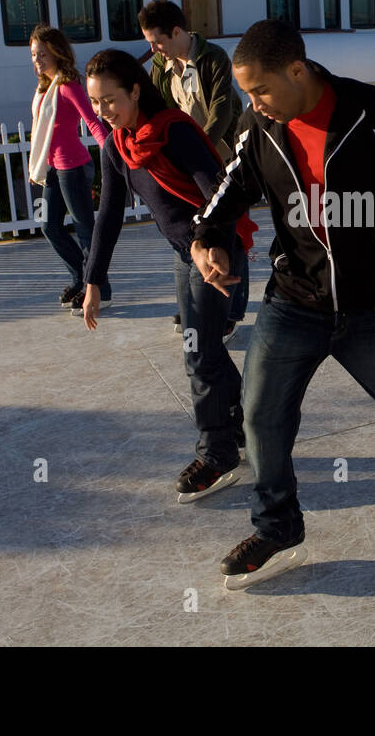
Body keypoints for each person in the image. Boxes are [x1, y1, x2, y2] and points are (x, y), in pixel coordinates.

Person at [189, 20, 375, 584]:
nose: (253, 103)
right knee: (260, 416)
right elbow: (234, 185)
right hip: (293, 300)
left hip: (373, 307)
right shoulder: (261, 123)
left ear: (297, 71)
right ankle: (278, 526)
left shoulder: (369, 114)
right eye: (247, 93)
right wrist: (206, 235)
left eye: (261, 89)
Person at [79, 49, 254, 499]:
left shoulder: (173, 131)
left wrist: (209, 245)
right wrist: (93, 280)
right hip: (185, 253)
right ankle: (245, 427)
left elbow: (217, 190)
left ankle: (217, 453)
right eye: (95, 102)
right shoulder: (118, 146)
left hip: (214, 247)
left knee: (198, 354)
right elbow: (108, 215)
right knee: (206, 347)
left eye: (110, 100)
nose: (102, 111)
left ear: (136, 91)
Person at [138, 0, 248, 337]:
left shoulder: (213, 57)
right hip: (188, 158)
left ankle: (232, 309)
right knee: (194, 228)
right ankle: (192, 302)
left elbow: (221, 111)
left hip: (222, 154)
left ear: (176, 32)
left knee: (230, 226)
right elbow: (161, 110)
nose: (154, 49)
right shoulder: (160, 64)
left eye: (157, 41)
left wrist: (201, 150)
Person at [27, 23, 111, 313]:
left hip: (74, 168)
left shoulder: (68, 86)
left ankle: (101, 288)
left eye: (42, 54)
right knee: (49, 226)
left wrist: (112, 152)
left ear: (57, 53)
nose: (37, 60)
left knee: (85, 230)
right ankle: (80, 278)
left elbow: (92, 121)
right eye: (34, 54)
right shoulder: (45, 88)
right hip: (51, 169)